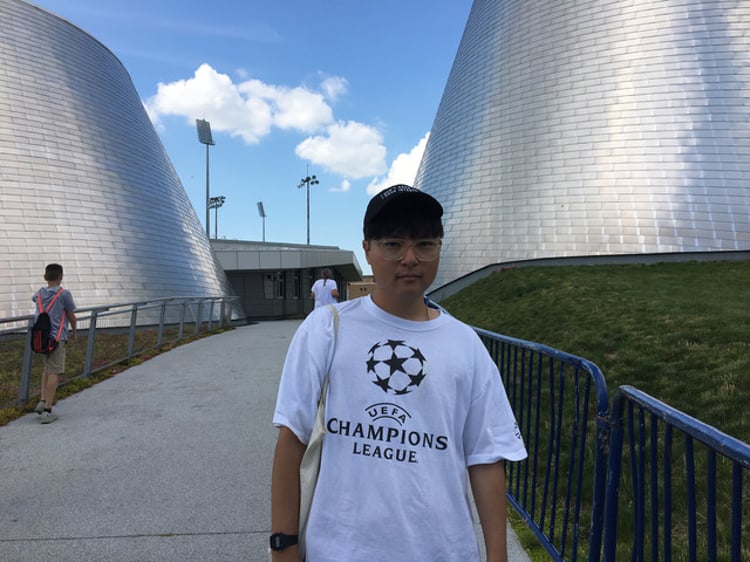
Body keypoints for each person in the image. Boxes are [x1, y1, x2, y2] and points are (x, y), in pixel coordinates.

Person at [270, 184, 527, 561]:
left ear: (439, 248)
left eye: (425, 244)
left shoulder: (466, 345)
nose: (410, 258)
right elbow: (292, 440)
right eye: (393, 244)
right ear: (367, 249)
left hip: (444, 552)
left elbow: (486, 458)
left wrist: (497, 556)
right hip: (338, 551)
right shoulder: (326, 330)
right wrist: (283, 548)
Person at [32, 263, 77, 424]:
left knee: (47, 369)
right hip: (57, 338)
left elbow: (35, 301)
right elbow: (71, 315)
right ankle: (47, 411)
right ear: (61, 276)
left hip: (40, 339)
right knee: (54, 372)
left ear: (45, 277)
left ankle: (42, 400)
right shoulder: (64, 294)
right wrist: (74, 330)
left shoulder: (38, 294)